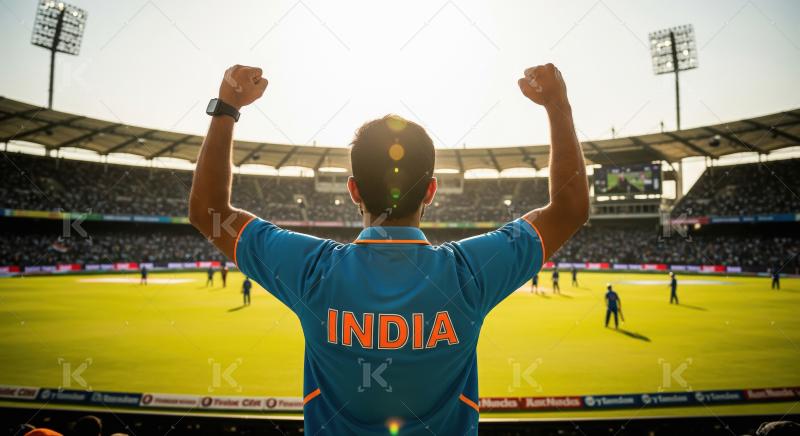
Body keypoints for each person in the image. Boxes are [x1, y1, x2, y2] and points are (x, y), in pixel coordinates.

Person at [188, 63, 588, 435]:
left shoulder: (313, 271)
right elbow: (569, 210)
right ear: (431, 191)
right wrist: (558, 105)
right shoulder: (468, 273)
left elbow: (209, 213)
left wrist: (227, 107)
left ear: (353, 190)